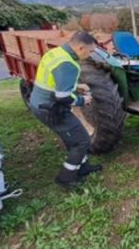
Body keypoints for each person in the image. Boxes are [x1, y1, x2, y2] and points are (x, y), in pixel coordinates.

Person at [29, 31, 102, 188]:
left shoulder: (56, 53)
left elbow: (57, 81)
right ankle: (65, 178)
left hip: (41, 103)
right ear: (81, 48)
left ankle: (83, 167)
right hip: (50, 109)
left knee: (75, 137)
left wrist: (75, 86)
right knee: (82, 141)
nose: (90, 55)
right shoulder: (68, 65)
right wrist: (83, 100)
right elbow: (63, 97)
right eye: (90, 51)